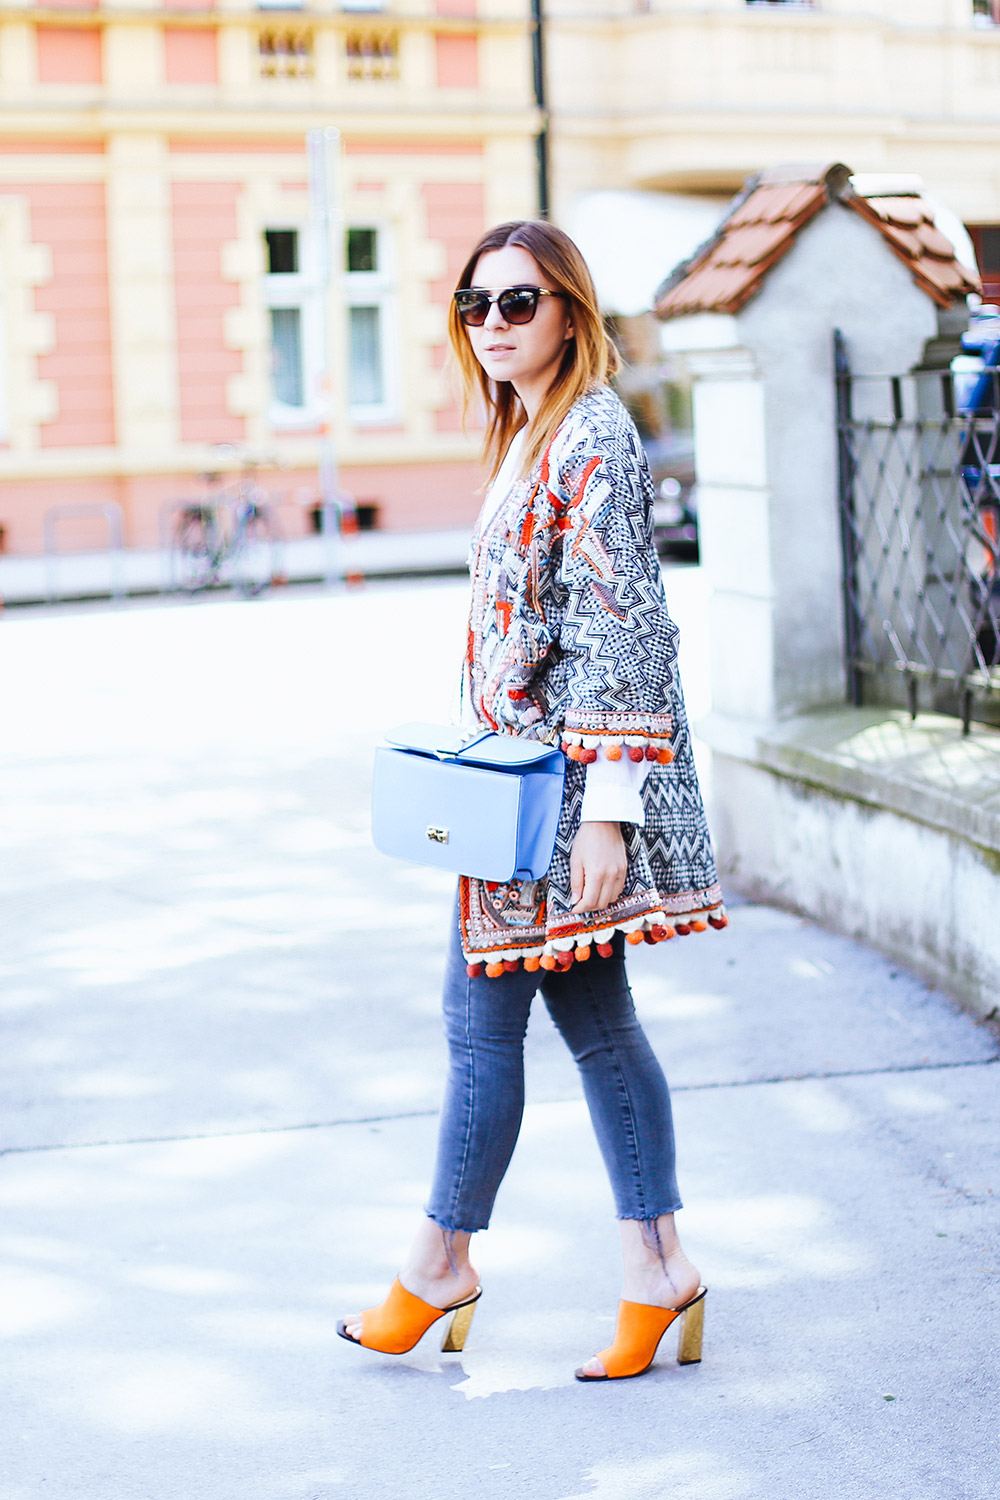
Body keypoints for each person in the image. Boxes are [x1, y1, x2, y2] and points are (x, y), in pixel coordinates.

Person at [338, 220, 725, 1381]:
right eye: (476, 304)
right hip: (518, 787)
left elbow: (626, 632)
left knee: (482, 1027)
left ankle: (441, 1264)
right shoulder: (530, 426)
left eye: (519, 301)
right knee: (594, 1027)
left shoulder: (593, 433)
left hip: (560, 797)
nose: (494, 324)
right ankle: (655, 1273)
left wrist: (609, 808)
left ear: (570, 309)